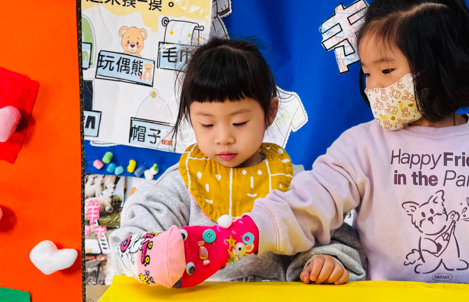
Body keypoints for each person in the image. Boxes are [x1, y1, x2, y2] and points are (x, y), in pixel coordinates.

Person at [147, 0, 469, 289]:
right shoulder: (361, 146)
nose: (373, 86)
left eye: (387, 71)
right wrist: (234, 237)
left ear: (440, 67)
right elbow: (306, 204)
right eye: (367, 72)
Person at [108, 38, 364, 286]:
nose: (224, 138)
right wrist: (149, 252)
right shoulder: (180, 184)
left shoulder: (295, 184)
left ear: (270, 112)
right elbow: (130, 242)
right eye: (207, 124)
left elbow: (340, 242)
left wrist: (325, 260)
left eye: (239, 122)